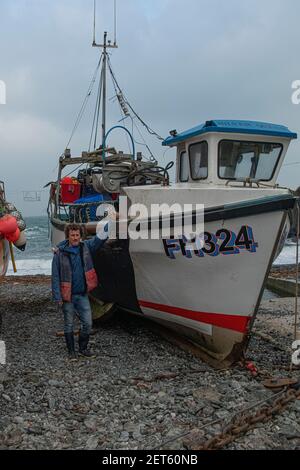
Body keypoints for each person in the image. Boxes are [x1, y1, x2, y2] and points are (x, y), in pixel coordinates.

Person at [52, 222, 110, 360]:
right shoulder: (59, 254)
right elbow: (55, 277)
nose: (75, 237)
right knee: (69, 325)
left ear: (81, 235)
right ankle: (72, 351)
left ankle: (83, 348)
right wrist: (57, 297)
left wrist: (111, 222)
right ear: (68, 236)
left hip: (83, 295)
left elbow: (100, 238)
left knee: (88, 323)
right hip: (68, 297)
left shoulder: (86, 247)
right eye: (72, 235)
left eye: (77, 235)